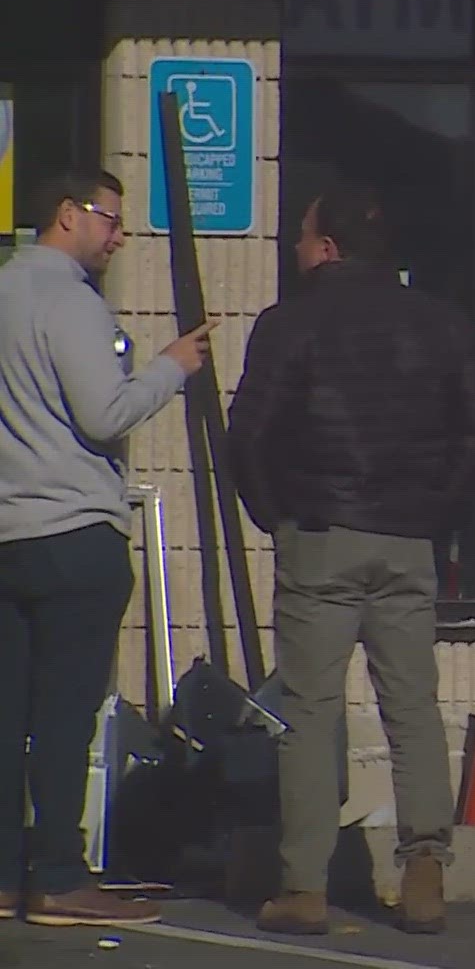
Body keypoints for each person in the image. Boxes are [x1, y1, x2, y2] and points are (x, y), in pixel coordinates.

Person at [227, 185, 475, 935]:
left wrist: (275, 513)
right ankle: (425, 870)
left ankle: (304, 886)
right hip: (409, 536)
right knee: (410, 704)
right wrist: (435, 514)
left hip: (320, 529)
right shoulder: (443, 323)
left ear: (328, 249)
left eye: (304, 238)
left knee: (311, 711)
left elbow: (248, 433)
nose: (298, 249)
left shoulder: (290, 324)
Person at [0, 170, 213, 927]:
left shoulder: (4, 290)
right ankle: (58, 872)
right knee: (63, 716)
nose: (119, 237)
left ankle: (4, 872)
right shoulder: (72, 302)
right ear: (68, 216)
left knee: (8, 710)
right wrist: (170, 367)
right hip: (74, 531)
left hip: (9, 532)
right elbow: (104, 412)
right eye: (111, 221)